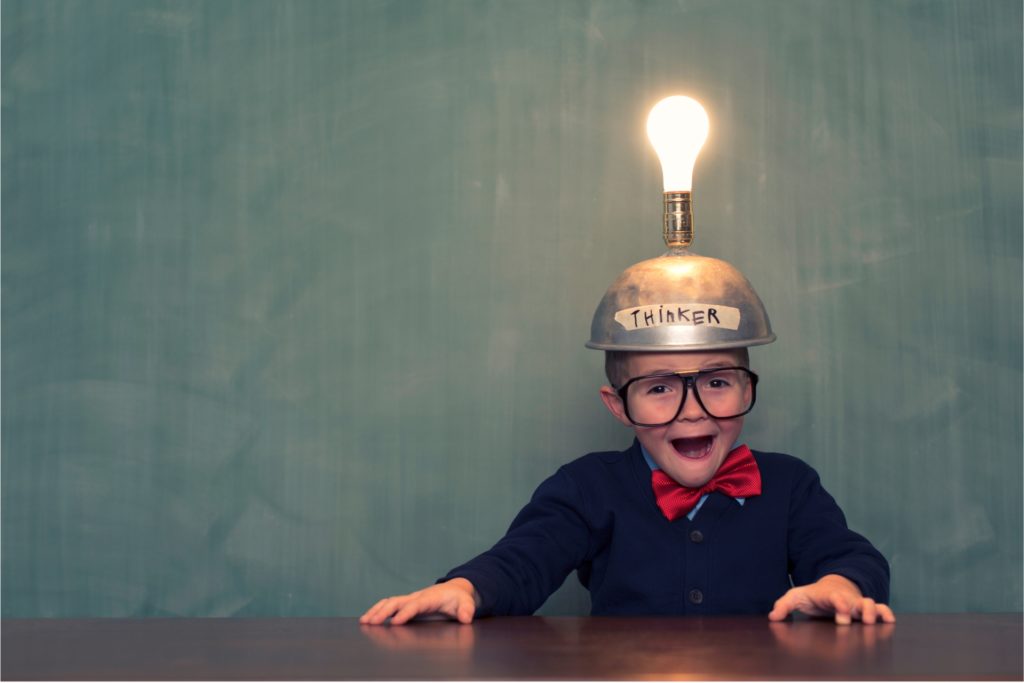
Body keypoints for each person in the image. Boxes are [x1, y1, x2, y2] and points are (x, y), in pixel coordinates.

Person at [361, 172, 894, 627]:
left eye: (717, 381)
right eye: (659, 388)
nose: (692, 409)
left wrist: (842, 585)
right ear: (617, 405)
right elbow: (525, 559)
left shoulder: (790, 485)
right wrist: (469, 589)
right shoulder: (587, 488)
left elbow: (850, 555)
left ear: (747, 385)